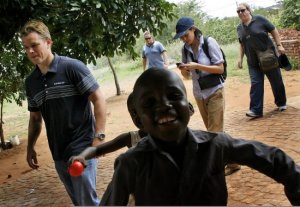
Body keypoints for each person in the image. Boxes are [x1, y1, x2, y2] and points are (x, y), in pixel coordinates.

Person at [100, 68, 300, 206]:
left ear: (189, 107)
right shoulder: (130, 163)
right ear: (138, 120)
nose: (163, 106)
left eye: (174, 96)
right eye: (149, 103)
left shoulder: (217, 145)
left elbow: (272, 158)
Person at [20, 19, 106, 206]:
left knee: (87, 202)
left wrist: (99, 137)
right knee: (78, 201)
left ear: (49, 42)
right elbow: (35, 118)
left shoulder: (72, 67)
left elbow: (98, 98)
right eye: (26, 48)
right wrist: (30, 147)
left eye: (34, 45)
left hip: (82, 146)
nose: (30, 51)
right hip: (58, 152)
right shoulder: (31, 82)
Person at [173, 16, 240, 175]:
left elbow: (220, 69)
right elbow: (187, 77)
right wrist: (184, 69)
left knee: (213, 133)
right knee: (216, 132)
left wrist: (197, 65)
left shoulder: (210, 43)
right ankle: (234, 161)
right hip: (199, 95)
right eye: (181, 37)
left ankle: (215, 169)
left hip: (215, 91)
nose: (184, 39)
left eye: (185, 35)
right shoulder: (185, 49)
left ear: (193, 29)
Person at [236, 3, 287, 118]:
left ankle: (281, 103)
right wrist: (240, 58)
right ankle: (256, 110)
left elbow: (274, 30)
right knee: (256, 84)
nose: (240, 13)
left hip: (268, 57)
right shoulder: (239, 28)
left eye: (242, 10)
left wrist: (279, 45)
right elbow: (242, 44)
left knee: (276, 81)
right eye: (238, 11)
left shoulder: (260, 20)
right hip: (253, 62)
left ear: (248, 10)